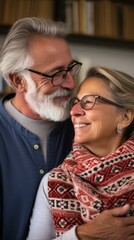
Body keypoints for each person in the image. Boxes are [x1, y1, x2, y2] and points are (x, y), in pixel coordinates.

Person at [0, 17, 83, 240]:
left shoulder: (86, 127)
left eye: (70, 69)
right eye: (56, 74)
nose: (70, 84)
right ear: (18, 81)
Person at [27, 66, 134, 240]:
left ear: (125, 117)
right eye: (75, 102)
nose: (74, 111)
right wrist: (82, 235)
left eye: (89, 101)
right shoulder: (54, 183)